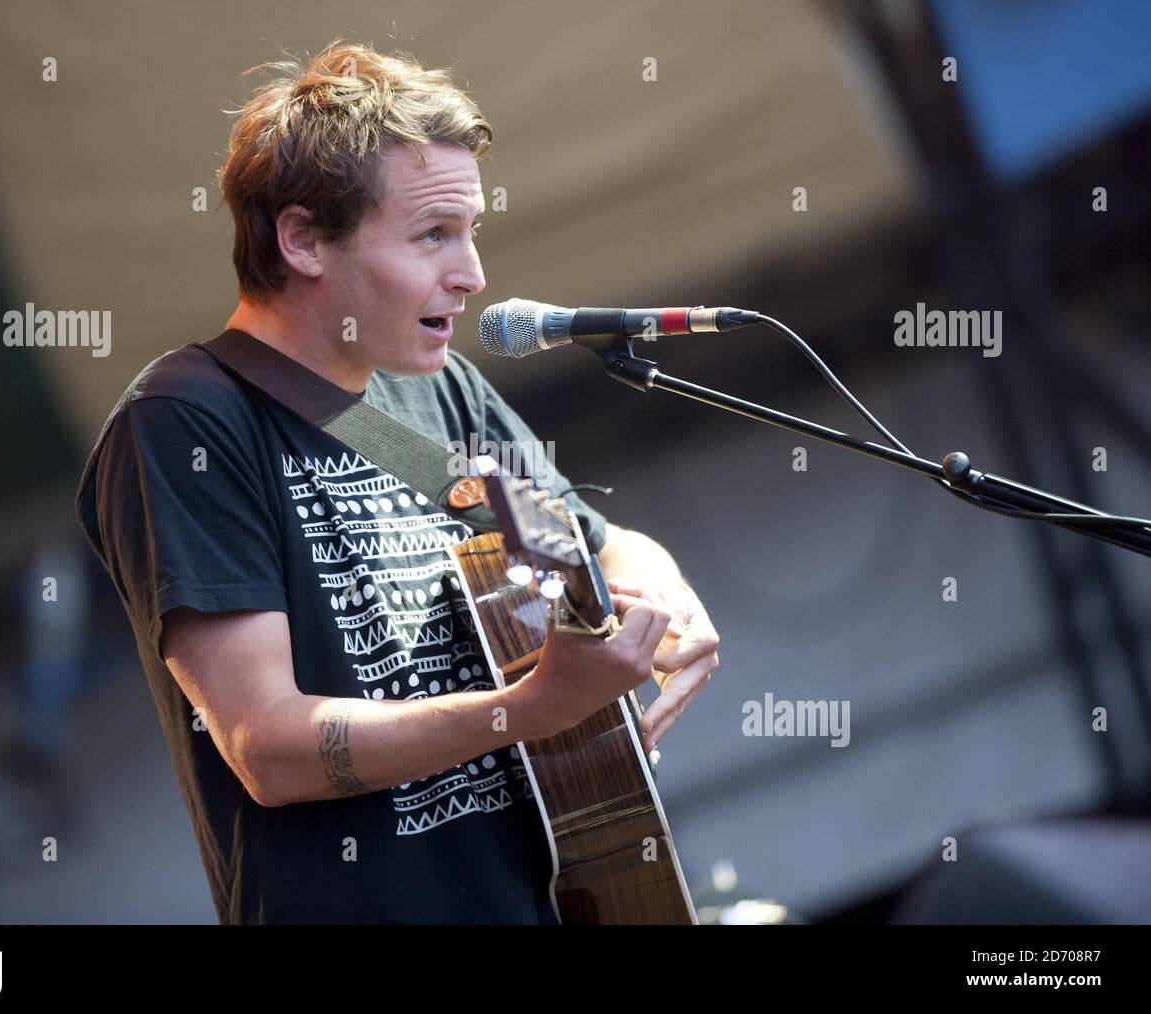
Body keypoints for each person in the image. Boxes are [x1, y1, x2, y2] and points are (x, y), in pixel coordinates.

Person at [74, 41, 720, 924]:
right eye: (432, 236)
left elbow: (598, 544)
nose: (473, 274)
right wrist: (524, 710)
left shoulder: (437, 389)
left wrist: (669, 592)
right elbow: (269, 748)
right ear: (301, 238)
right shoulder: (186, 421)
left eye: (471, 232)